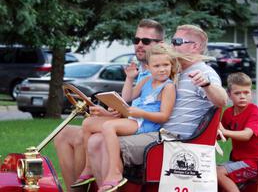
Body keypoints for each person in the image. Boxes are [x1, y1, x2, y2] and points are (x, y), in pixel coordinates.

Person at [86, 24, 228, 191]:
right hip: (159, 133)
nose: (172, 45)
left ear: (194, 46)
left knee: (100, 142)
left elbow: (222, 100)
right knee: (96, 139)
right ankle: (108, 185)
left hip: (176, 142)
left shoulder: (204, 73)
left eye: (177, 41)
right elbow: (147, 101)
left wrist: (207, 85)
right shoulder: (176, 74)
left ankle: (112, 179)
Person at [53, 18, 165, 192]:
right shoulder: (140, 71)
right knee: (64, 134)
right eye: (136, 40)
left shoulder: (162, 72)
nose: (139, 45)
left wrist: (115, 115)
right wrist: (108, 112)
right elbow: (129, 104)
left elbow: (153, 111)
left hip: (145, 128)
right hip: (128, 122)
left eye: (146, 41)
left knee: (87, 137)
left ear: (161, 44)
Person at [72, 43, 181, 189]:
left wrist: (140, 113)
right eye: (157, 66)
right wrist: (129, 78)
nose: (162, 69)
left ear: (171, 65)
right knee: (88, 123)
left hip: (146, 124)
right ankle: (89, 166)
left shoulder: (168, 87)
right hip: (134, 118)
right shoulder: (147, 80)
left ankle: (114, 171)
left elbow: (164, 116)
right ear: (148, 67)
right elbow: (128, 96)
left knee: (109, 126)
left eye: (166, 65)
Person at [217, 72, 258, 192]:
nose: (242, 96)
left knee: (218, 173)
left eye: (246, 92)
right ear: (229, 95)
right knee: (208, 171)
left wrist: (224, 131)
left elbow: (246, 135)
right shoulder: (228, 113)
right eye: (237, 93)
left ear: (251, 93)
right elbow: (222, 136)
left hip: (257, 163)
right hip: (238, 160)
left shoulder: (254, 111)